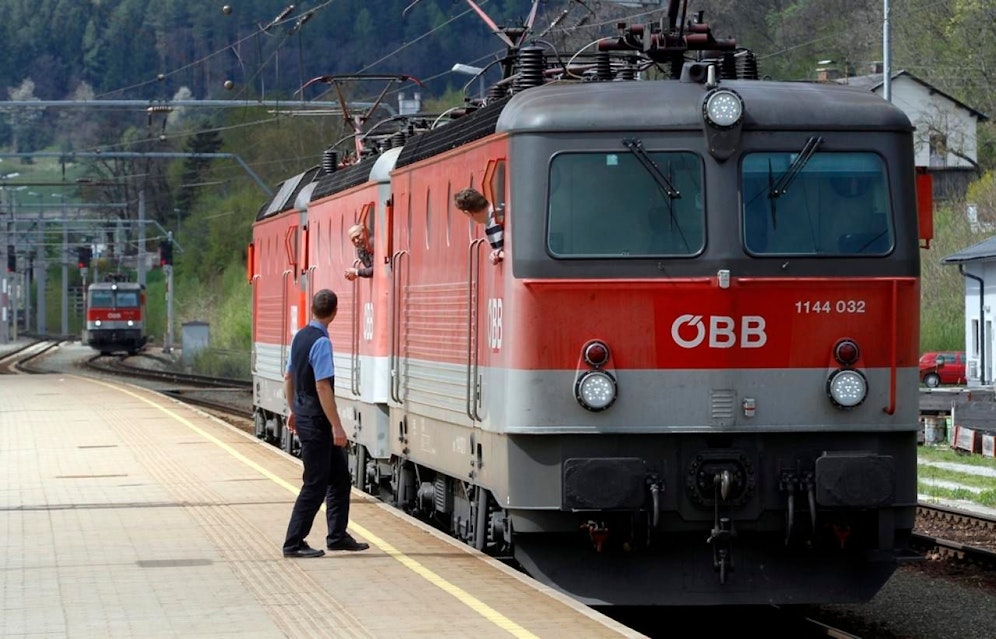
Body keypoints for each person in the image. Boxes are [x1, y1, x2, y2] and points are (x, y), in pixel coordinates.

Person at [282, 288, 370, 558]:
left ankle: (337, 535)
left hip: (306, 415)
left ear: (312, 309)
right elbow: (322, 386)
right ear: (335, 312)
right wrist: (337, 426)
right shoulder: (321, 342)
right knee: (315, 483)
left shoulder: (299, 337)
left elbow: (289, 377)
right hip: (318, 422)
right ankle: (293, 542)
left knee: (340, 479)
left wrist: (293, 409)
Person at [454, 187, 504, 264]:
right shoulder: (500, 209)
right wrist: (495, 254)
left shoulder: (495, 221)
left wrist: (496, 254)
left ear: (468, 213)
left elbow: (507, 255)